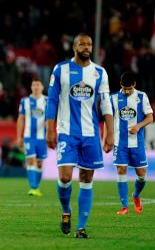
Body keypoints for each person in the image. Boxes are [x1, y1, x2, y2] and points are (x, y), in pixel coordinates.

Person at [46, 33, 114, 238]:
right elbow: (52, 100)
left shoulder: (99, 72)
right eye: (82, 44)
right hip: (66, 132)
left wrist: (109, 133)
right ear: (74, 47)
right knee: (65, 177)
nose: (87, 47)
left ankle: (81, 227)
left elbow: (106, 104)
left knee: (86, 179)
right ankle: (66, 210)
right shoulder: (61, 69)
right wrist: (50, 128)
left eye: (89, 44)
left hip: (91, 134)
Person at [111, 71, 153, 215]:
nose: (127, 91)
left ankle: (135, 195)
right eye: (124, 88)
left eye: (130, 88)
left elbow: (150, 117)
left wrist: (139, 126)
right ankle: (124, 207)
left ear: (134, 85)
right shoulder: (114, 98)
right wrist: (107, 139)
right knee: (121, 170)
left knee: (141, 174)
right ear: (120, 85)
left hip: (137, 143)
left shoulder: (141, 97)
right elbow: (108, 120)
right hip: (119, 143)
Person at [15, 76, 47, 196]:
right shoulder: (25, 102)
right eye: (34, 85)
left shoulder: (47, 101)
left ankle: (37, 187)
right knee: (31, 160)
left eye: (38, 85)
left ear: (42, 87)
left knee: (39, 163)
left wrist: (51, 133)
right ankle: (33, 187)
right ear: (31, 87)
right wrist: (19, 136)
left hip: (42, 138)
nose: (36, 87)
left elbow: (51, 119)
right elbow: (21, 119)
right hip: (29, 137)